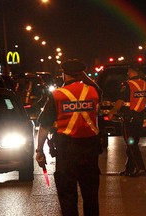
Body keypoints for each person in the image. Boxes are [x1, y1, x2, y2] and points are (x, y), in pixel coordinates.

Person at [36, 59, 102, 216]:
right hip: (90, 150)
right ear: (81, 74)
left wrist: (39, 150)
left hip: (67, 152)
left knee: (68, 197)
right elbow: (98, 87)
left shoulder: (57, 95)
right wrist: (83, 75)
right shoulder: (93, 92)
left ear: (64, 74)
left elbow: (44, 126)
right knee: (91, 196)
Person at [108, 64, 146, 177]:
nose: (127, 74)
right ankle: (129, 169)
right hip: (140, 117)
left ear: (132, 72)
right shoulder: (145, 84)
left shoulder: (128, 85)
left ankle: (140, 168)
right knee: (132, 144)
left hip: (129, 117)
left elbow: (121, 101)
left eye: (128, 71)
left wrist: (112, 111)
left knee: (132, 145)